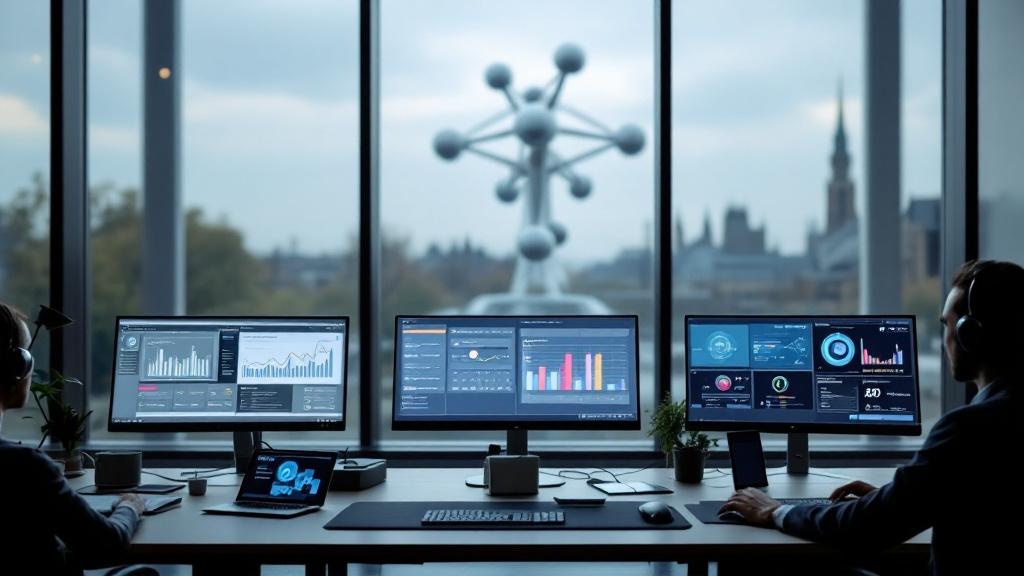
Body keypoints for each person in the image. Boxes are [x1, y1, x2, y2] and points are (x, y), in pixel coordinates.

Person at [719, 259, 1024, 575]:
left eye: (946, 324)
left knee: (760, 563)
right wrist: (892, 499)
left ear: (969, 334)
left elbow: (866, 529)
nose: (945, 337)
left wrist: (776, 511)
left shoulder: (967, 430)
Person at [0, 302, 146, 575]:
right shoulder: (25, 467)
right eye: (27, 357)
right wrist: (129, 506)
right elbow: (107, 543)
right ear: (16, 368)